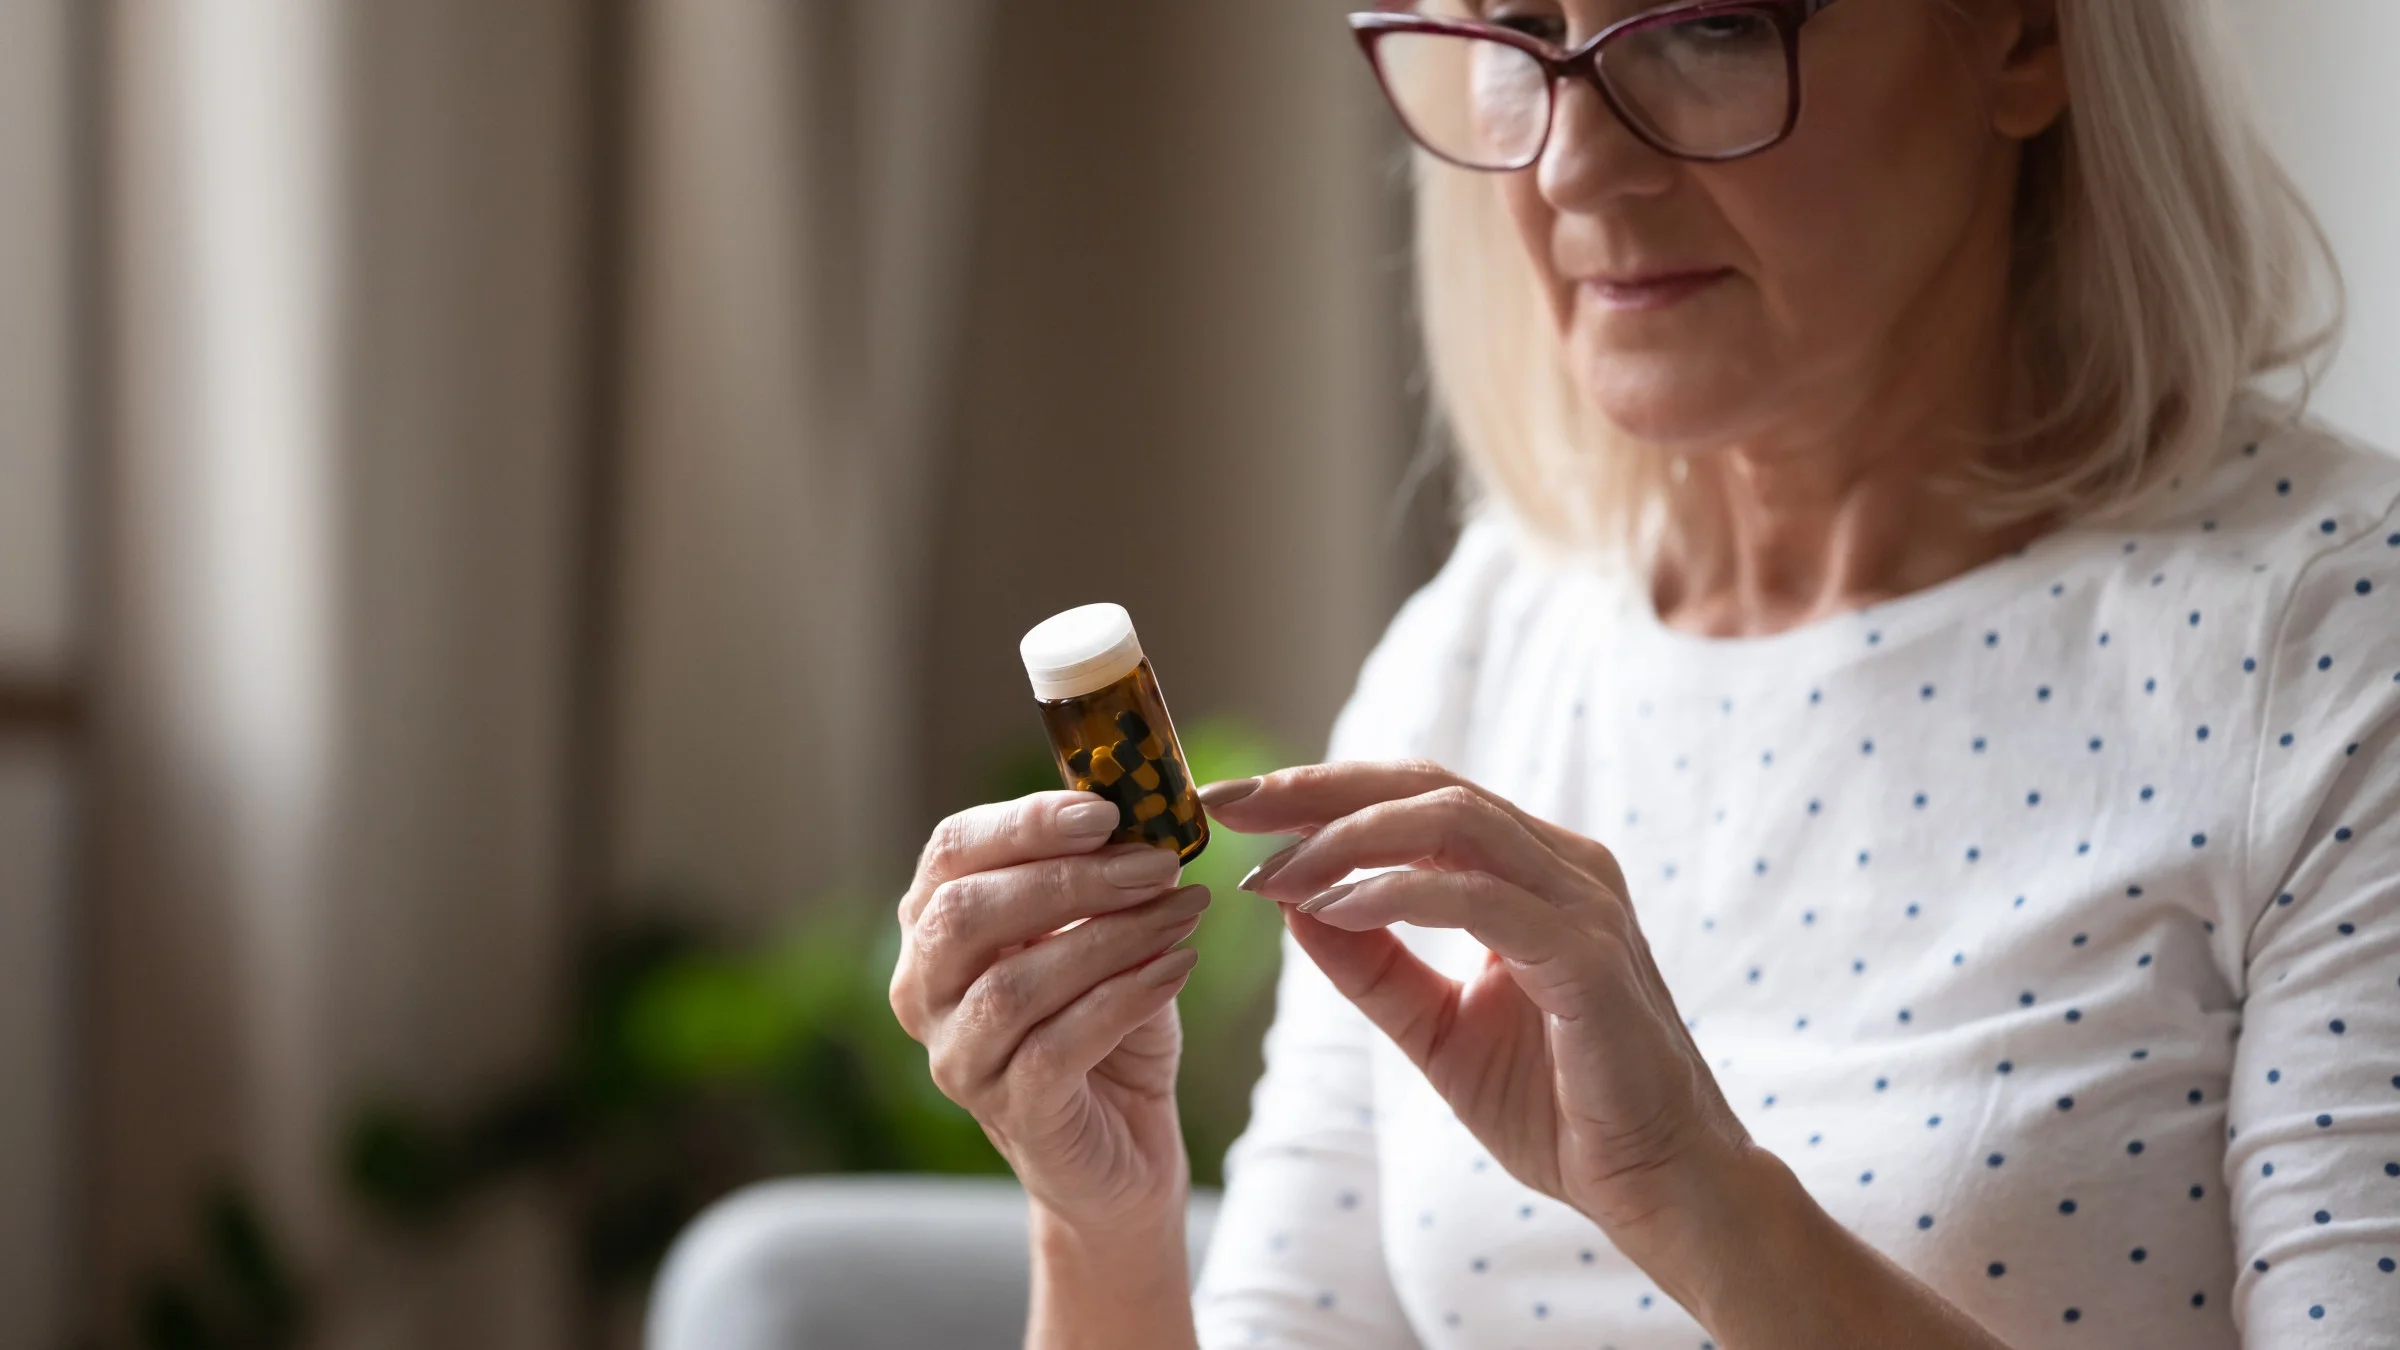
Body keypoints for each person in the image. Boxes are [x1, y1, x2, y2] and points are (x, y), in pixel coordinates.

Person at [887, 1, 2400, 1345]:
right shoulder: (1488, 639)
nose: (1571, 169)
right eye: (1518, 31)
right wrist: (1106, 1223)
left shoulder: (2334, 643)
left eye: (1708, 26)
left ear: (2020, 34)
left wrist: (1703, 1200)